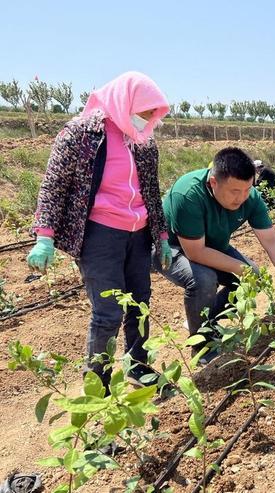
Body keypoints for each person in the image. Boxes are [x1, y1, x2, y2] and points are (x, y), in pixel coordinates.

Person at [26, 71, 173, 390]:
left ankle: (138, 367)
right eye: (144, 112)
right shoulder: (82, 133)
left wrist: (161, 236)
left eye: (152, 115)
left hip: (138, 234)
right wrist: (44, 236)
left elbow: (150, 190)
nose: (147, 120)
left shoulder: (144, 142)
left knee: (140, 304)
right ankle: (98, 391)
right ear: (125, 102)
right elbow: (54, 185)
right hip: (99, 235)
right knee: (108, 313)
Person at [156, 147, 275, 364]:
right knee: (204, 279)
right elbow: (195, 252)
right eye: (235, 191)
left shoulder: (250, 197)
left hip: (208, 243)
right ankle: (201, 345)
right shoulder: (189, 194)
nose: (242, 197)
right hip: (169, 247)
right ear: (213, 183)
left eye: (247, 189)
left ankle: (205, 322)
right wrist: (240, 267)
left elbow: (272, 240)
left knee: (253, 276)